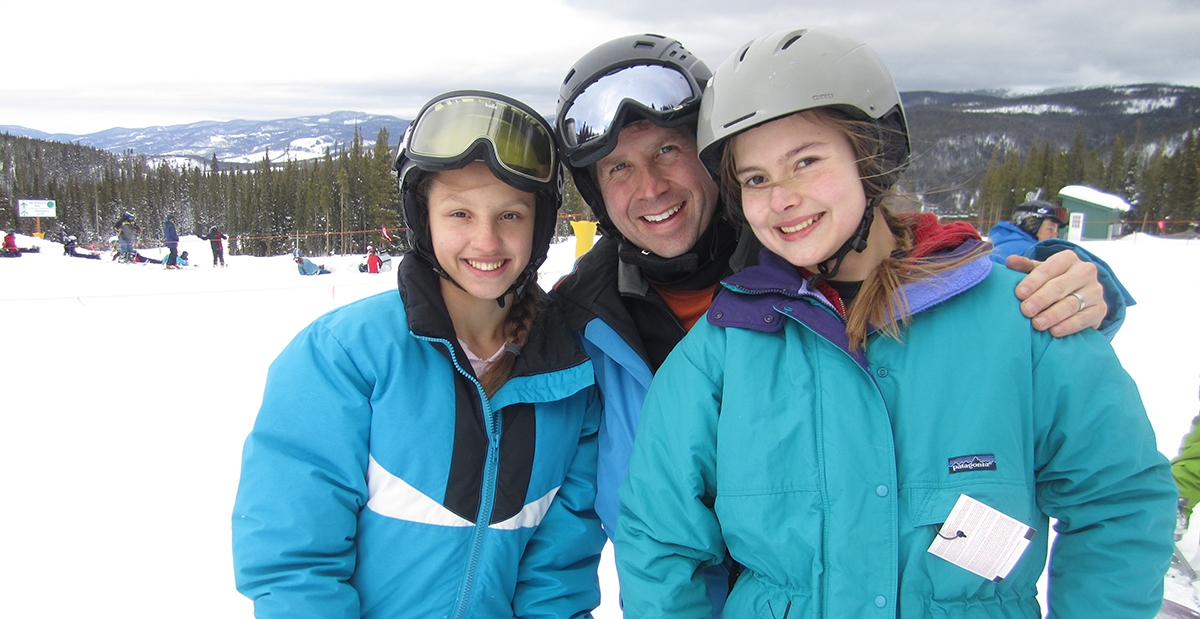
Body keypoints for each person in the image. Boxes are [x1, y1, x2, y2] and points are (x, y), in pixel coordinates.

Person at [614, 27, 1175, 619]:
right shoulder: (723, 351)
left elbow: (1118, 504)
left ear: (870, 158)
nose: (781, 198)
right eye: (756, 179)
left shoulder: (1020, 319)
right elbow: (660, 541)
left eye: (805, 162)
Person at [233, 90, 605, 619]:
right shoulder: (345, 356)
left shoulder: (569, 378)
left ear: (539, 227)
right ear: (423, 219)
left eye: (511, 215)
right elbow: (296, 565)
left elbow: (556, 577)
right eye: (459, 213)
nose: (486, 240)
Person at [989, 199, 1135, 338]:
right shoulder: (1033, 253)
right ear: (1031, 225)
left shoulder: (996, 242)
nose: (1055, 234)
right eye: (1050, 229)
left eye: (1056, 230)